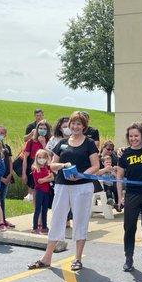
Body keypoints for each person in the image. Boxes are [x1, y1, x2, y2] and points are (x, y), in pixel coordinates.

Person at [27, 111, 99, 271]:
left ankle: (77, 258)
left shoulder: (89, 143)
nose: (75, 126)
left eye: (79, 124)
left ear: (84, 126)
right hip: (62, 186)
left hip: (82, 187)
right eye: (73, 123)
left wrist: (80, 175)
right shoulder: (62, 143)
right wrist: (63, 166)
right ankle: (47, 257)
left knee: (80, 220)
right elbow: (52, 165)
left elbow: (96, 165)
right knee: (57, 219)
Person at [117, 123, 142, 272]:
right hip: (132, 195)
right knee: (129, 228)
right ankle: (129, 258)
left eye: (136, 135)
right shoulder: (125, 154)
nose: (133, 138)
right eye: (131, 136)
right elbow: (119, 177)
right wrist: (119, 198)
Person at [0, 125, 15, 228]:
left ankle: (3, 220)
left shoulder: (7, 147)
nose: (0, 135)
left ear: (5, 135)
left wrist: (10, 174)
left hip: (6, 177)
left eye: (2, 133)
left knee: (1, 199)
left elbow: (9, 161)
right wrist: (1, 178)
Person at [22, 120, 51, 203]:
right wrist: (24, 173)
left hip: (45, 168)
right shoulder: (31, 141)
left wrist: (43, 143)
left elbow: (50, 155)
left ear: (47, 130)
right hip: (33, 168)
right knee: (35, 191)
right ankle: (36, 212)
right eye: (40, 128)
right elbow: (25, 157)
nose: (42, 130)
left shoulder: (50, 141)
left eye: (44, 128)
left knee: (44, 193)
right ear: (37, 129)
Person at [31, 149, 53, 234]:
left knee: (45, 209)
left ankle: (44, 226)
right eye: (39, 157)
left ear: (47, 158)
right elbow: (39, 181)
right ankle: (35, 227)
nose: (41, 159)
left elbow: (53, 178)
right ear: (36, 158)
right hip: (39, 191)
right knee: (37, 209)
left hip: (46, 191)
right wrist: (48, 178)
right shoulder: (35, 168)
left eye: (43, 157)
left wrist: (48, 178)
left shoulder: (48, 168)